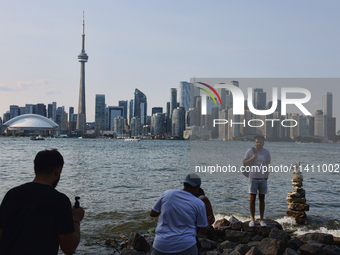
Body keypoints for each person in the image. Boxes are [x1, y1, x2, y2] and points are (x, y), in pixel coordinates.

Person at [0, 149, 85, 255]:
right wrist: (75, 219)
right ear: (57, 171)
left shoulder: (11, 195)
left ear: (35, 170)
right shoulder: (60, 201)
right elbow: (69, 249)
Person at [150, 173, 210, 255]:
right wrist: (209, 222)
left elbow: (153, 213)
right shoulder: (199, 203)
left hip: (160, 245)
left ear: (184, 184)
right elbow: (203, 230)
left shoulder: (167, 194)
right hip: (186, 247)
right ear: (197, 187)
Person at [243, 135, 271, 227]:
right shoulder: (250, 151)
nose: (258, 144)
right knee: (252, 199)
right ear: (254, 143)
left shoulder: (266, 152)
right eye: (257, 142)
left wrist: (266, 176)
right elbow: (244, 162)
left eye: (260, 142)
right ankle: (252, 219)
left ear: (263, 143)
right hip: (253, 177)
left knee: (262, 199)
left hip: (262, 178)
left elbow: (268, 165)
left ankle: (262, 219)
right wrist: (252, 158)